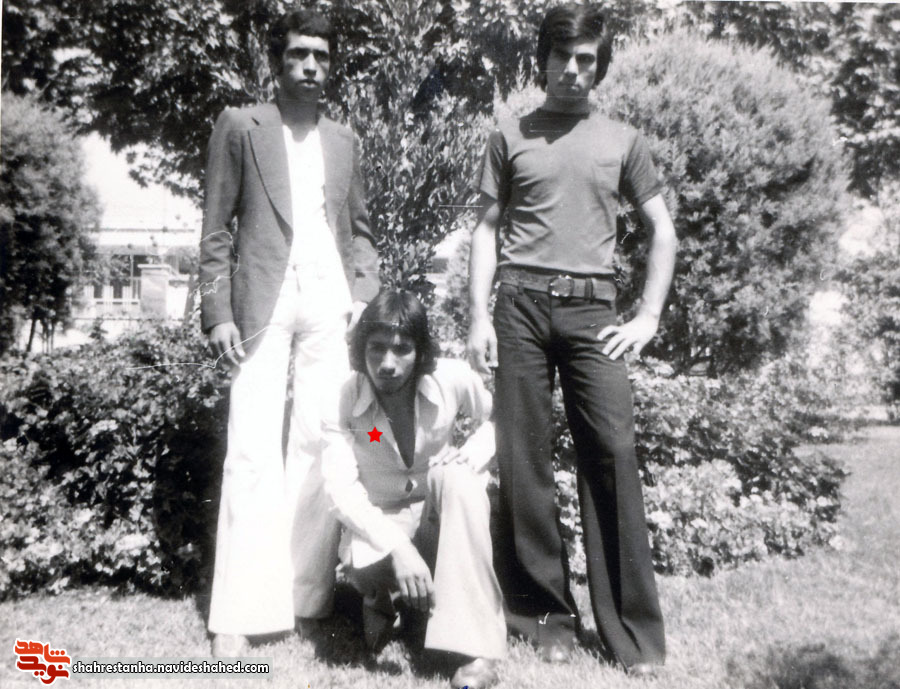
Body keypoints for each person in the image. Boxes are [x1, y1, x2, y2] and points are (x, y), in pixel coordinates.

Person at [466, 3, 677, 674]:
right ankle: (544, 618)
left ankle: (631, 633)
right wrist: (477, 317)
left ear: (599, 67)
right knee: (523, 458)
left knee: (612, 451)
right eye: (562, 56)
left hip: (593, 313)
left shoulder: (623, 140)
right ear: (543, 59)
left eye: (587, 59)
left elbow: (663, 230)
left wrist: (647, 317)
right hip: (520, 305)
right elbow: (485, 230)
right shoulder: (510, 136)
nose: (573, 70)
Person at [198, 7, 379, 656]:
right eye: (299, 54)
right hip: (262, 302)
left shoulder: (344, 139)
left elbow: (360, 230)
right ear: (277, 62)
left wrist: (363, 294)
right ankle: (239, 612)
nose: (310, 66)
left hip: (329, 300)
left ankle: (305, 597)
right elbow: (215, 229)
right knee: (251, 448)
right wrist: (218, 311)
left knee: (320, 441)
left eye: (321, 56)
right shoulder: (241, 126)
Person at [321, 290, 505, 689]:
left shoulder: (450, 378)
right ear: (361, 349)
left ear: (420, 352)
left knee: (458, 477)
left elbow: (502, 416)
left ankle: (476, 651)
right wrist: (399, 548)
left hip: (436, 522)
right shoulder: (342, 396)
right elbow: (340, 491)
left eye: (402, 349)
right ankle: (399, 605)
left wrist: (471, 454)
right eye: (376, 348)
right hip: (379, 531)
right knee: (367, 564)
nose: (387, 364)